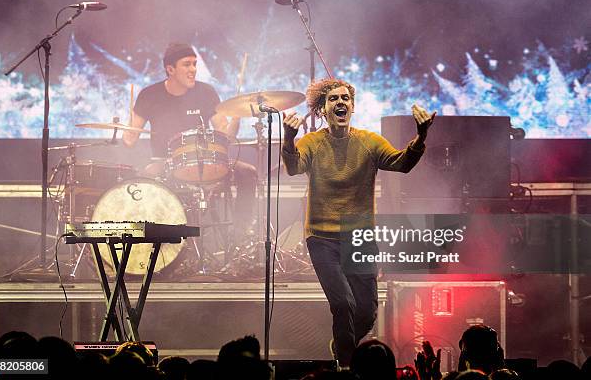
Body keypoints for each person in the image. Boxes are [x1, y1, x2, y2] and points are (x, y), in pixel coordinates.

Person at [282, 78, 434, 367]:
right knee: (343, 304)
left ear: (352, 106)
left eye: (345, 98)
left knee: (366, 313)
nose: (340, 102)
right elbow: (292, 167)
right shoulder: (313, 142)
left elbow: (402, 163)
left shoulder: (369, 142)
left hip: (360, 237)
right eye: (333, 99)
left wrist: (421, 136)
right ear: (322, 110)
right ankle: (347, 367)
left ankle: (343, 347)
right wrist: (289, 138)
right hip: (322, 238)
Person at [123, 43, 257, 240]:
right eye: (187, 65)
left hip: (207, 160)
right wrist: (127, 122)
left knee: (249, 172)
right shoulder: (149, 95)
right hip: (165, 161)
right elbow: (129, 140)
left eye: (194, 64)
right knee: (145, 178)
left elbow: (225, 135)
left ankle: (240, 236)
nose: (193, 70)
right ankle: (153, 243)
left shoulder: (206, 92)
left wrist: (236, 116)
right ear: (170, 69)